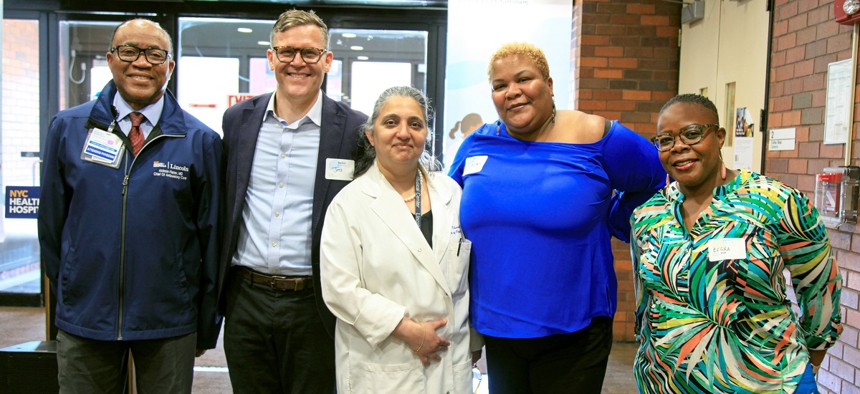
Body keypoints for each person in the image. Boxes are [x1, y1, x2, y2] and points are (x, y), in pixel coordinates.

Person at [448, 42, 666, 393]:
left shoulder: (596, 135)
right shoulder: (477, 145)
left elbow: (657, 179)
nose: (512, 92)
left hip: (574, 329)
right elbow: (446, 210)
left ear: (549, 85)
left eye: (524, 79)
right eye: (500, 85)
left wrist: (614, 219)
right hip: (497, 329)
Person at [38, 18, 223, 393]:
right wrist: (71, 297)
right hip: (86, 317)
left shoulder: (200, 140)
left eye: (155, 54)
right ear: (110, 59)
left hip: (168, 319)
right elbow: (52, 227)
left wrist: (204, 323)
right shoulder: (69, 128)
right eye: (129, 51)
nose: (141, 62)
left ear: (169, 66)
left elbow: (212, 239)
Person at [631, 94, 843, 393]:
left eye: (692, 134)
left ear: (719, 137)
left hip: (768, 381)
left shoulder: (774, 202)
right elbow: (646, 305)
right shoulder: (648, 215)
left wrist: (812, 355)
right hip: (667, 382)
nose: (678, 146)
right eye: (665, 140)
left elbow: (821, 286)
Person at [219, 9, 367, 393]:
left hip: (315, 303)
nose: (297, 63)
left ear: (327, 61)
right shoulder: (238, 120)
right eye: (286, 53)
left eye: (309, 53)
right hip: (245, 299)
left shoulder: (354, 129)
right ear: (271, 58)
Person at [320, 86, 479, 393]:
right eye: (391, 122)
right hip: (384, 363)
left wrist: (473, 340)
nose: (403, 133)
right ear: (371, 134)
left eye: (415, 124)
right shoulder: (349, 204)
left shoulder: (452, 194)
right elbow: (340, 289)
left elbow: (468, 280)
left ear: (426, 135)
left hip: (449, 361)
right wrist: (407, 330)